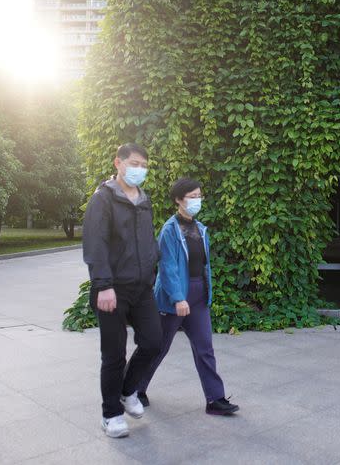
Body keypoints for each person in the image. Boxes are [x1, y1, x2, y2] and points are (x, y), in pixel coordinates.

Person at [137, 177, 239, 416]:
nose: (197, 200)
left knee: (205, 348)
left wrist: (205, 291)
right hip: (174, 298)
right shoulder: (169, 230)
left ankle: (215, 399)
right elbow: (168, 266)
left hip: (198, 295)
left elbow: (203, 265)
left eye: (199, 196)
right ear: (178, 200)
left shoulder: (201, 229)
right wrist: (177, 297)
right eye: (192, 197)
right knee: (157, 347)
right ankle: (135, 388)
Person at [82, 143, 163, 438]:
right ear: (118, 162)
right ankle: (111, 414)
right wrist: (102, 285)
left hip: (142, 287)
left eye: (144, 165)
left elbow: (148, 239)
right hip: (112, 289)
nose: (139, 169)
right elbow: (95, 243)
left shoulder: (144, 200)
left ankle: (128, 391)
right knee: (114, 354)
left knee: (154, 341)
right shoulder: (103, 199)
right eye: (134, 163)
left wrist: (152, 271)